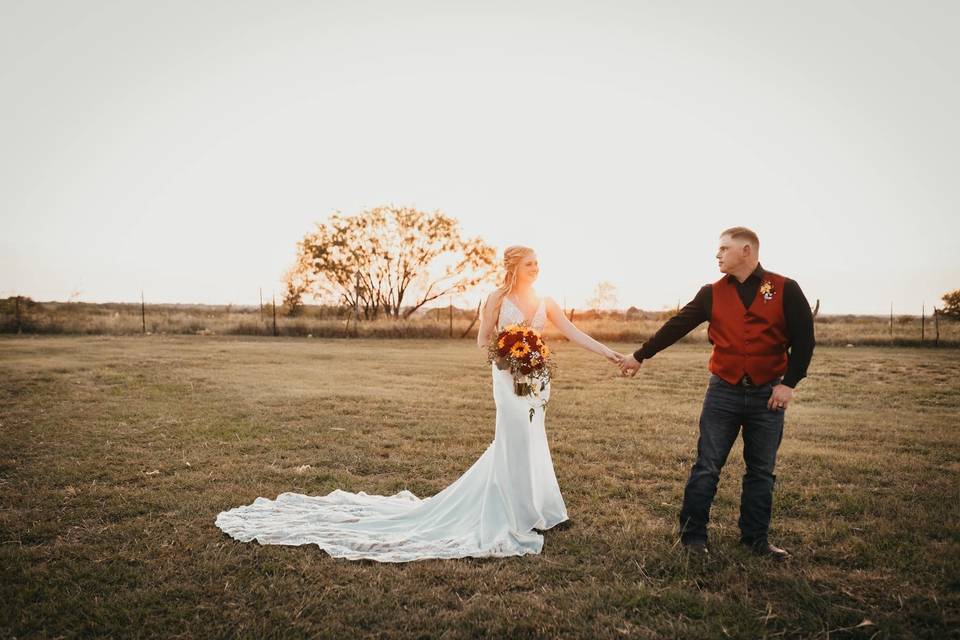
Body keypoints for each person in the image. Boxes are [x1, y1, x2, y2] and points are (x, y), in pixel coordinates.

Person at [215, 245, 621, 562]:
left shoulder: (546, 300)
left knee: (532, 440)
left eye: (539, 263)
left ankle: (543, 511)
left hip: (536, 381)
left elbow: (572, 332)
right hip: (505, 376)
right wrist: (506, 354)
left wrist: (610, 355)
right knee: (513, 439)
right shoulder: (496, 298)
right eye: (531, 263)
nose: (537, 269)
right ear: (515, 266)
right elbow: (483, 340)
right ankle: (516, 516)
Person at [617, 227, 815, 559]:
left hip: (769, 393)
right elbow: (676, 326)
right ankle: (693, 537)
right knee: (707, 465)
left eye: (724, 248)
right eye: (718, 249)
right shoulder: (711, 293)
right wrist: (639, 356)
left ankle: (755, 540)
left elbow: (804, 341)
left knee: (761, 470)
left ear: (747, 251)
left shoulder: (785, 288)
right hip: (723, 391)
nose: (718, 255)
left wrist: (788, 383)